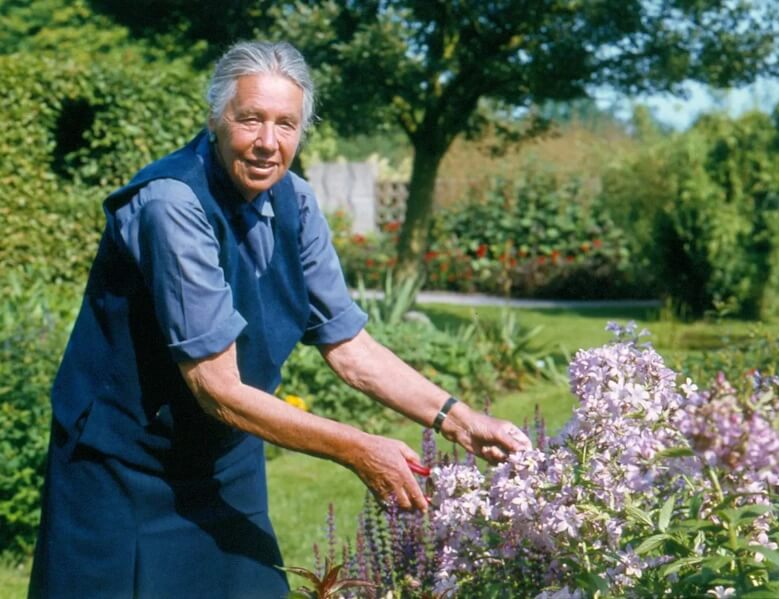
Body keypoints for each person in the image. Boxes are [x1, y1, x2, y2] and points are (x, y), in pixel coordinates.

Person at [29, 40, 531, 598]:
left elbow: (350, 349)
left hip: (223, 460)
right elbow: (216, 388)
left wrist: (461, 421)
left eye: (287, 124)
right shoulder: (171, 204)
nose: (269, 142)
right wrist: (357, 447)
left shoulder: (298, 203)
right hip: (121, 467)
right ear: (218, 120)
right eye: (251, 120)